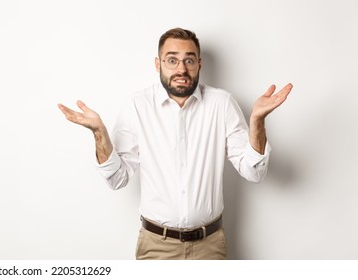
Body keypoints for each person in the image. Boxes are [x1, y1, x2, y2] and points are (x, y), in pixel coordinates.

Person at [57, 27, 292, 260]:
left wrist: (258, 121)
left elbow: (254, 172)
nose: (181, 69)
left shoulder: (222, 104)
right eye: (172, 60)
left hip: (210, 247)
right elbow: (118, 178)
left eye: (189, 60)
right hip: (156, 246)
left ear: (199, 64)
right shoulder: (137, 106)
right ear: (158, 64)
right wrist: (99, 133)